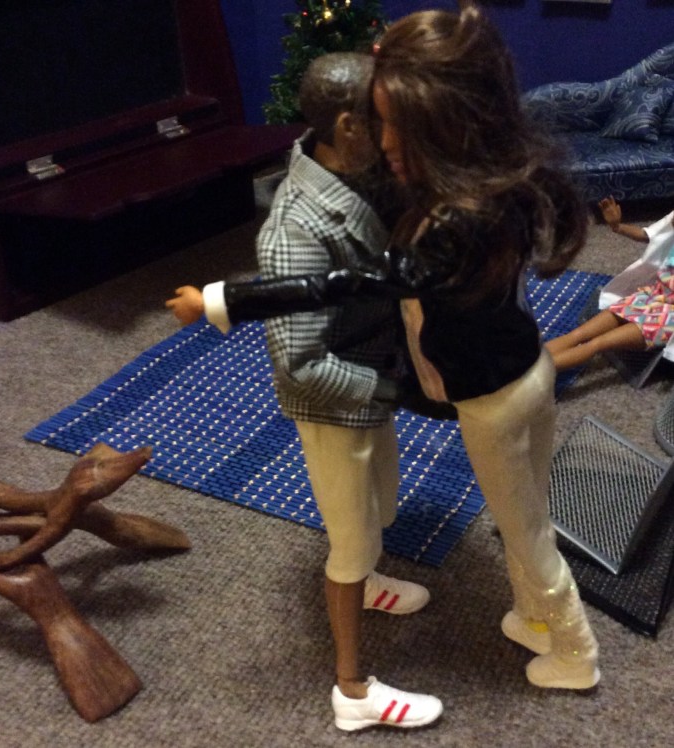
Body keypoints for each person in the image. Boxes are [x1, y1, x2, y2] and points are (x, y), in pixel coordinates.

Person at [175, 4, 601, 692]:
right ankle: (533, 618)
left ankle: (575, 654)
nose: (385, 141)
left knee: (526, 533)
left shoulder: (448, 225)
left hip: (490, 400)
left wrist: (225, 299)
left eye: (395, 124)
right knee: (528, 513)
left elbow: (343, 282)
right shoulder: (502, 179)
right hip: (530, 367)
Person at [169, 52, 444, 732]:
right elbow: (300, 365)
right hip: (337, 402)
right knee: (348, 541)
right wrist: (391, 391)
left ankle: (369, 576)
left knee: (379, 501)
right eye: (383, 119)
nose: (395, 133)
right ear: (348, 126)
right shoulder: (295, 228)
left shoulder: (360, 169)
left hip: (371, 376)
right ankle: (352, 691)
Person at [546, 195, 674, 371]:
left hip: (669, 317)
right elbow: (648, 234)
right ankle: (521, 369)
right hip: (653, 295)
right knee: (578, 334)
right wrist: (617, 226)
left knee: (597, 344)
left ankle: (529, 378)